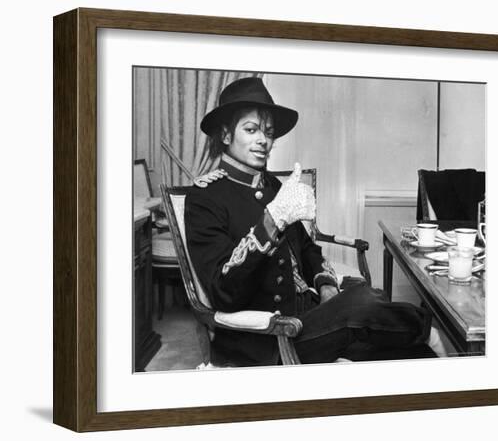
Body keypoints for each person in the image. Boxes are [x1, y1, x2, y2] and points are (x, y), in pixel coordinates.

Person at [185, 77, 444, 366]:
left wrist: (326, 287)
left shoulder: (274, 187)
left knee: (408, 352)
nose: (263, 140)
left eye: (268, 133)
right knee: (366, 301)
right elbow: (223, 292)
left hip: (310, 319)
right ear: (225, 134)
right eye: (251, 129)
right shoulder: (205, 198)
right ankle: (430, 331)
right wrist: (271, 221)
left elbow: (308, 250)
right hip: (268, 338)